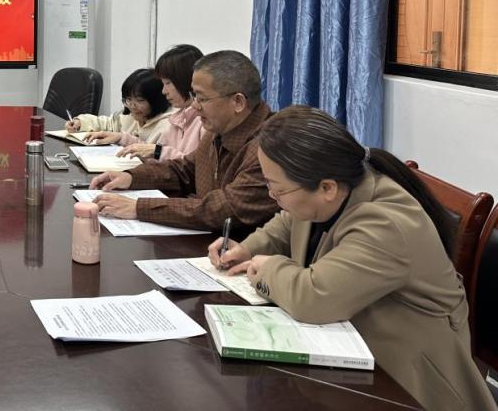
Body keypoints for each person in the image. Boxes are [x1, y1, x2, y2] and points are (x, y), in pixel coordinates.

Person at [209, 106, 495, 411]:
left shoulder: (385, 223)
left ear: (326, 188)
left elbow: (313, 298)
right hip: (358, 353)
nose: (272, 196)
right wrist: (248, 248)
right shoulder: (334, 188)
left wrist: (268, 268)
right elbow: (289, 221)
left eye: (276, 189)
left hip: (409, 384)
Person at [90, 50, 277, 232]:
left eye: (202, 98)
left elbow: (224, 209)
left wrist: (139, 208)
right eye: (194, 96)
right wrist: (131, 177)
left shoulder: (270, 146)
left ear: (238, 102)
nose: (195, 105)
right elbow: (184, 170)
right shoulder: (218, 129)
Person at [115, 44, 205, 161]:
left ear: (185, 80)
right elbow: (154, 152)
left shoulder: (205, 122)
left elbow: (195, 166)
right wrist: (121, 138)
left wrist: (158, 152)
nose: (164, 91)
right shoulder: (178, 118)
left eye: (168, 83)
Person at [65, 69, 172, 146]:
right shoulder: (130, 116)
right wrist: (81, 122)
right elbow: (108, 123)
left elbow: (156, 157)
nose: (132, 106)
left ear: (156, 100)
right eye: (128, 99)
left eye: (139, 100)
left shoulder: (168, 127)